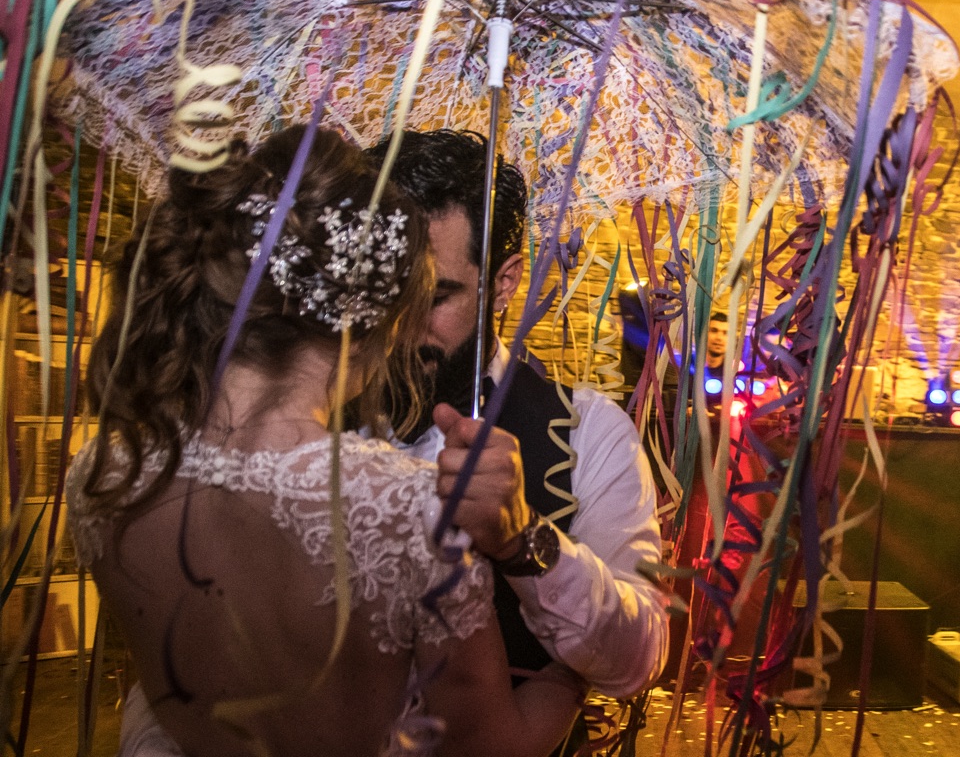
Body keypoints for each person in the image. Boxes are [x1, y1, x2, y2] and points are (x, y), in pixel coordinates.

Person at [66, 126, 582, 757]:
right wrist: (572, 677)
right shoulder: (405, 509)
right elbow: (486, 749)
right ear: (369, 326)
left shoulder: (107, 473)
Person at [367, 130, 669, 722]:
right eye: (383, 290)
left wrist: (523, 540)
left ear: (502, 283)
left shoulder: (586, 432)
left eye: (434, 294)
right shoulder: (309, 422)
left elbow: (637, 661)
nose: (400, 325)